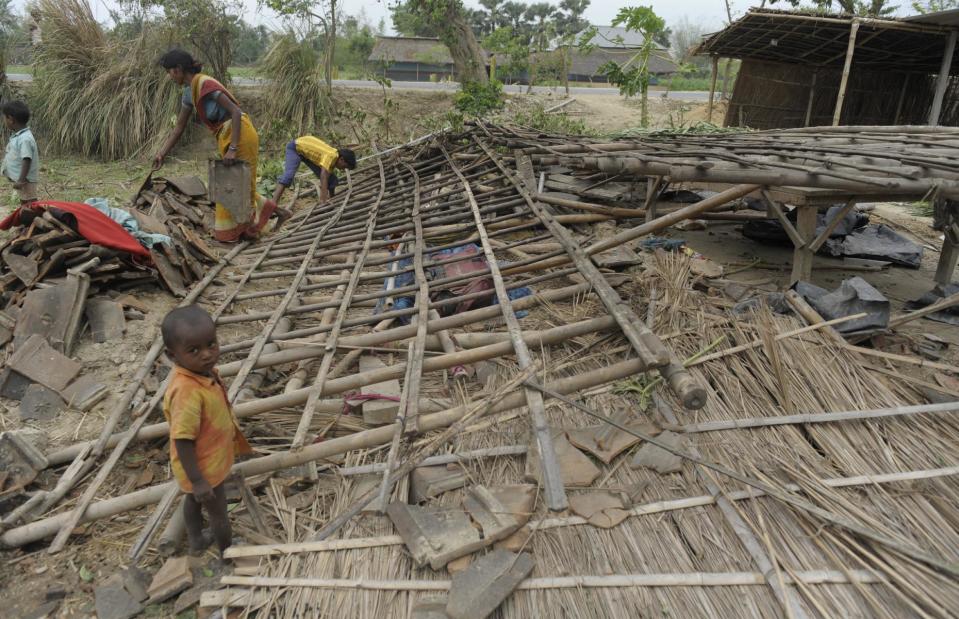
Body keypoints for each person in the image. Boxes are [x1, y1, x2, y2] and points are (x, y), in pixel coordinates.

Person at [153, 49, 288, 242]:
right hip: (226, 136)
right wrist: (162, 154)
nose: (169, 76)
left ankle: (245, 230)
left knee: (237, 185)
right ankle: (277, 213)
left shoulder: (205, 84)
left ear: (179, 69)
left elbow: (235, 111)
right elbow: (179, 128)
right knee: (233, 184)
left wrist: (233, 148)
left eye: (170, 71)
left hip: (240, 135)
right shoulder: (188, 93)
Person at [161, 305, 251, 557]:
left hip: (205, 461)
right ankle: (227, 553)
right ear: (172, 355)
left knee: (191, 499)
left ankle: (197, 540)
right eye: (194, 350)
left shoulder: (203, 374)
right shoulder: (186, 391)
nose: (206, 354)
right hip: (202, 468)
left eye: (211, 344)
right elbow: (182, 439)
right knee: (218, 512)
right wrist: (199, 480)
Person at [271, 137, 356, 206]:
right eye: (344, 166)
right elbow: (323, 176)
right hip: (295, 148)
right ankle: (272, 204)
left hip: (306, 155)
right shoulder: (332, 156)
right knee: (288, 176)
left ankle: (332, 197)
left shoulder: (334, 159)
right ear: (341, 159)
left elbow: (328, 177)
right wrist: (323, 200)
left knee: (332, 179)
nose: (342, 169)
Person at [1, 101, 39, 204]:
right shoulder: (19, 136)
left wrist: (21, 180)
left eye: (4, 118)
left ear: (11, 119)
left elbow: (26, 159)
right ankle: (28, 217)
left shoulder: (25, 139)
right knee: (25, 202)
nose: (4, 121)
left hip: (26, 180)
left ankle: (34, 218)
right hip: (23, 179)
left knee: (30, 203)